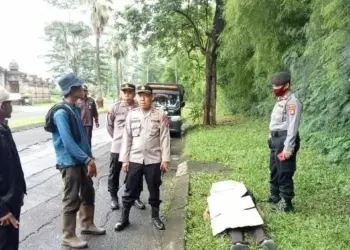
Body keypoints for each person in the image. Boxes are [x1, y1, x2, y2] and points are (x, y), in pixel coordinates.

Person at [45, 73, 105, 249]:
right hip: (70, 163)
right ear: (72, 89)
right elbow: (68, 142)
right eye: (79, 86)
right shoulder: (61, 112)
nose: (83, 89)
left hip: (82, 160)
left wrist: (90, 157)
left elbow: (82, 139)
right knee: (71, 198)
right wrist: (87, 159)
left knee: (88, 192)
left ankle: (87, 224)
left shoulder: (75, 108)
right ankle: (68, 235)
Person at [115, 85, 171, 231]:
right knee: (129, 189)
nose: (142, 98)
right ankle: (124, 218)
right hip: (135, 159)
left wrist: (165, 159)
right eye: (140, 95)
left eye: (146, 95)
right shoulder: (131, 115)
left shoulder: (160, 115)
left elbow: (165, 138)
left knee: (154, 188)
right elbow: (126, 138)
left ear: (152, 97)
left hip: (153, 159)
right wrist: (125, 160)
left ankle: (155, 217)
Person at [203, 180, 276, 250]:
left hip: (228, 208)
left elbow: (208, 215)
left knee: (233, 225)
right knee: (253, 221)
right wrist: (258, 212)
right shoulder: (241, 188)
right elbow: (254, 205)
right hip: (243, 202)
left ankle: (238, 242)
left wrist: (208, 213)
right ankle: (263, 240)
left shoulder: (215, 195)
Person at [267, 72, 302, 213]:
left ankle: (286, 203)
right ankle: (275, 195)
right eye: (274, 86)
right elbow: (275, 122)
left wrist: (288, 148)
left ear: (287, 85)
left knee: (284, 171)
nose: (275, 88)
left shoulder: (292, 102)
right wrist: (270, 137)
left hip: (285, 140)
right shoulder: (280, 100)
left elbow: (292, 126)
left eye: (278, 85)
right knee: (274, 168)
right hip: (276, 140)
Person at [107, 83, 145, 210]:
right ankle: (113, 197)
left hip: (135, 148)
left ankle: (136, 197)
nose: (127, 94)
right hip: (118, 147)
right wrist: (119, 139)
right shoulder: (115, 108)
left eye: (130, 92)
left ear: (134, 94)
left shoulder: (139, 107)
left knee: (136, 174)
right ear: (120, 93)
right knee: (114, 173)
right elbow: (109, 126)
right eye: (125, 92)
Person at [0, 87, 26, 250]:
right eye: (10, 103)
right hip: (4, 207)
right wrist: (2, 210)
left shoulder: (3, 129)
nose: (12, 107)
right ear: (2, 106)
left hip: (10, 202)